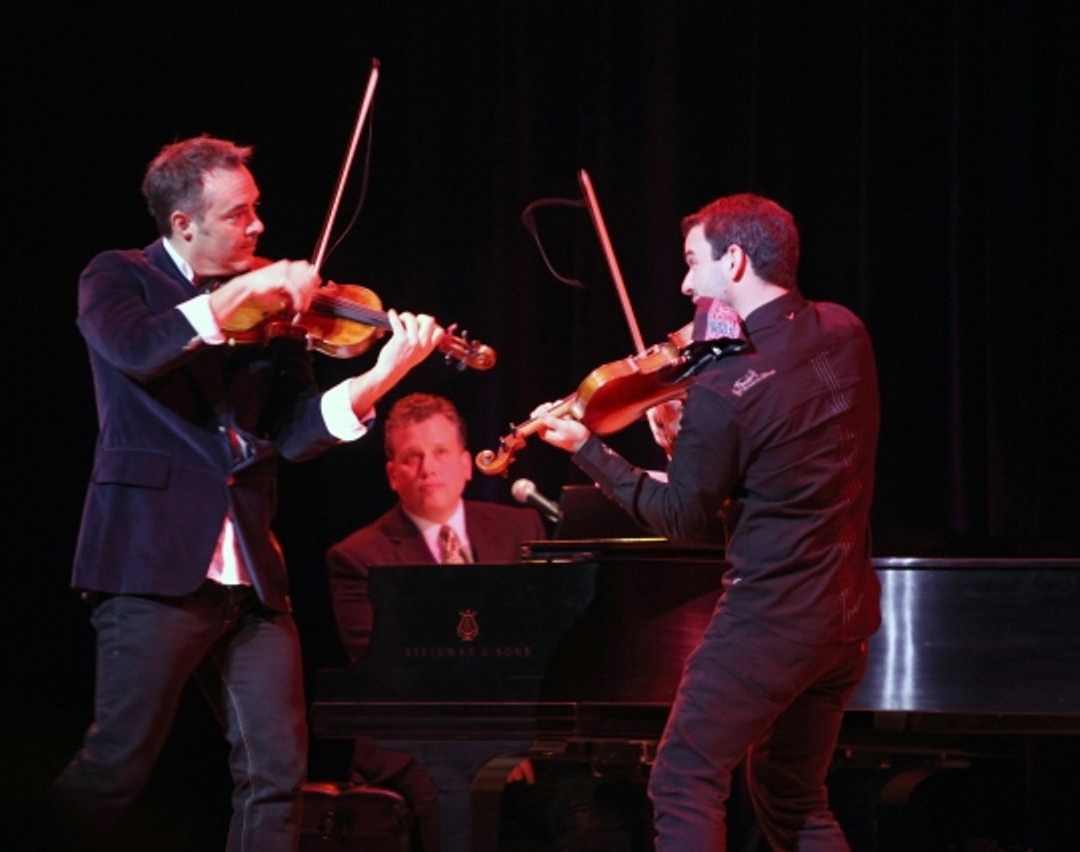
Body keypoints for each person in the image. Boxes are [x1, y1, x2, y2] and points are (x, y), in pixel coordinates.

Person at [50, 134, 443, 851]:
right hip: (151, 568)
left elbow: (293, 435)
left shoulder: (273, 317)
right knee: (116, 768)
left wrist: (382, 376)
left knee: (277, 773)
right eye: (239, 215)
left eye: (256, 210)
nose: (258, 228)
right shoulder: (117, 278)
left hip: (252, 582)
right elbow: (139, 351)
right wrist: (239, 294)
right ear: (184, 226)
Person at [534, 193, 881, 850]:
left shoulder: (724, 389)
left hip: (773, 621)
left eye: (695, 263)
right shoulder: (845, 330)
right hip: (848, 617)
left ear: (738, 261)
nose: (686, 283)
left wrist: (588, 449)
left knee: (683, 777)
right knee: (792, 795)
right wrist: (688, 443)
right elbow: (784, 463)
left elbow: (682, 518)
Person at [325, 392, 547, 851]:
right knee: (455, 793)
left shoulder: (522, 530)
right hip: (410, 736)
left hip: (517, 735)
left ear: (467, 464)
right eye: (412, 457)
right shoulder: (358, 556)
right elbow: (392, 674)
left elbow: (541, 647)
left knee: (594, 794)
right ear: (392, 475)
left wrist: (514, 744)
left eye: (441, 452)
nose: (428, 467)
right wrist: (486, 748)